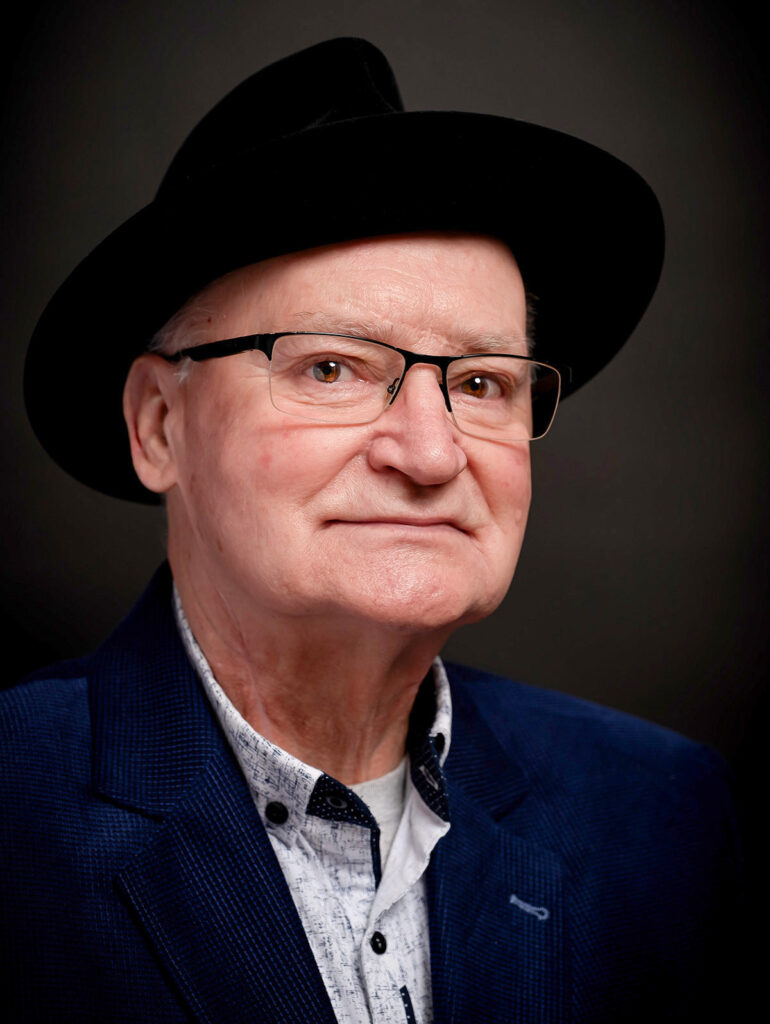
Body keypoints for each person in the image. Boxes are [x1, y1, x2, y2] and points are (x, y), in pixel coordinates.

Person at [1, 37, 741, 1024]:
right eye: (331, 369)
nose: (430, 453)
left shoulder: (661, 814)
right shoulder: (13, 812)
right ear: (160, 425)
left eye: (483, 383)